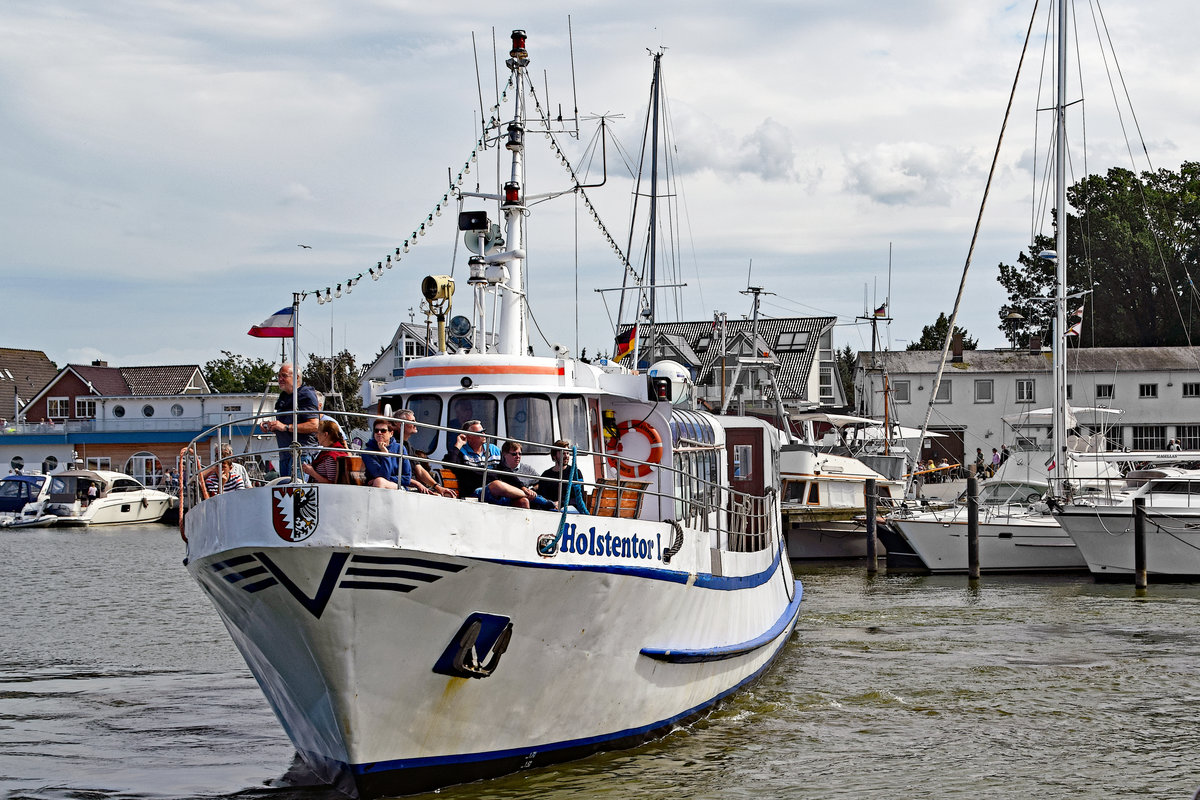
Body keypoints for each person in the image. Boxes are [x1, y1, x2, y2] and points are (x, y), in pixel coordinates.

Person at [259, 363, 319, 479]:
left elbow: (314, 425)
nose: (280, 379)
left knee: (296, 492)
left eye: (284, 376)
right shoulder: (284, 396)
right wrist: (272, 426)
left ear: (296, 377)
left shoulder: (306, 395)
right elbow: (284, 425)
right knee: (286, 492)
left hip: (300, 453)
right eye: (279, 376)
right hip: (285, 454)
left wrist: (286, 427)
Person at [393, 410, 456, 496]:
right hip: (405, 487)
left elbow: (420, 470)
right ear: (400, 424)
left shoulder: (407, 445)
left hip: (413, 486)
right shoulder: (394, 444)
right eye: (412, 421)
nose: (416, 424)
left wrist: (438, 487)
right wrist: (418, 484)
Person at [484, 441, 556, 510]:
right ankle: (541, 500)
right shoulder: (498, 468)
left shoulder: (527, 469)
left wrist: (532, 490)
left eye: (520, 454)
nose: (518, 456)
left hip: (521, 502)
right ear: (504, 454)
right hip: (500, 502)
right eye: (514, 454)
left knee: (524, 501)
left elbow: (540, 483)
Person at [445, 419, 501, 499]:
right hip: (474, 493)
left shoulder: (494, 449)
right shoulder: (462, 452)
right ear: (469, 437)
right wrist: (459, 444)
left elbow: (506, 470)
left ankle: (524, 494)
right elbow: (451, 465)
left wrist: (522, 487)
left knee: (523, 501)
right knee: (496, 485)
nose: (484, 434)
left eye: (484, 431)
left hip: (496, 492)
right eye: (480, 432)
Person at [535, 440, 588, 512]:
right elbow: (542, 496)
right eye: (563, 453)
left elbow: (578, 498)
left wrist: (560, 503)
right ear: (554, 456)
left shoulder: (575, 473)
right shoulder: (546, 475)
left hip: (570, 509)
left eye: (568, 453)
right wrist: (551, 504)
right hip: (551, 509)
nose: (566, 456)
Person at [302, 419, 349, 484]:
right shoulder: (331, 452)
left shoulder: (330, 456)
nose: (316, 436)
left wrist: (312, 472)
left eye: (318, 433)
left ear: (325, 434)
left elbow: (332, 483)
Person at [362, 417, 404, 489]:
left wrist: (391, 480)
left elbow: (406, 478)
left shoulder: (400, 448)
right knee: (379, 482)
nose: (379, 433)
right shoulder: (368, 452)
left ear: (391, 433)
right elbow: (383, 476)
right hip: (377, 488)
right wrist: (385, 455)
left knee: (379, 481)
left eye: (383, 431)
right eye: (376, 430)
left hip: (398, 487)